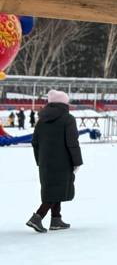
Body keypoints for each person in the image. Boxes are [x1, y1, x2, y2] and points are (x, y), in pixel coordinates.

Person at [25, 90, 81, 233]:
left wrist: (40, 160)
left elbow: (35, 142)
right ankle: (37, 217)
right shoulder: (68, 119)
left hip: (45, 161)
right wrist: (77, 161)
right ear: (64, 103)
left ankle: (56, 219)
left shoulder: (41, 119)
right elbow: (72, 142)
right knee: (57, 189)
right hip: (63, 161)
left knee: (53, 188)